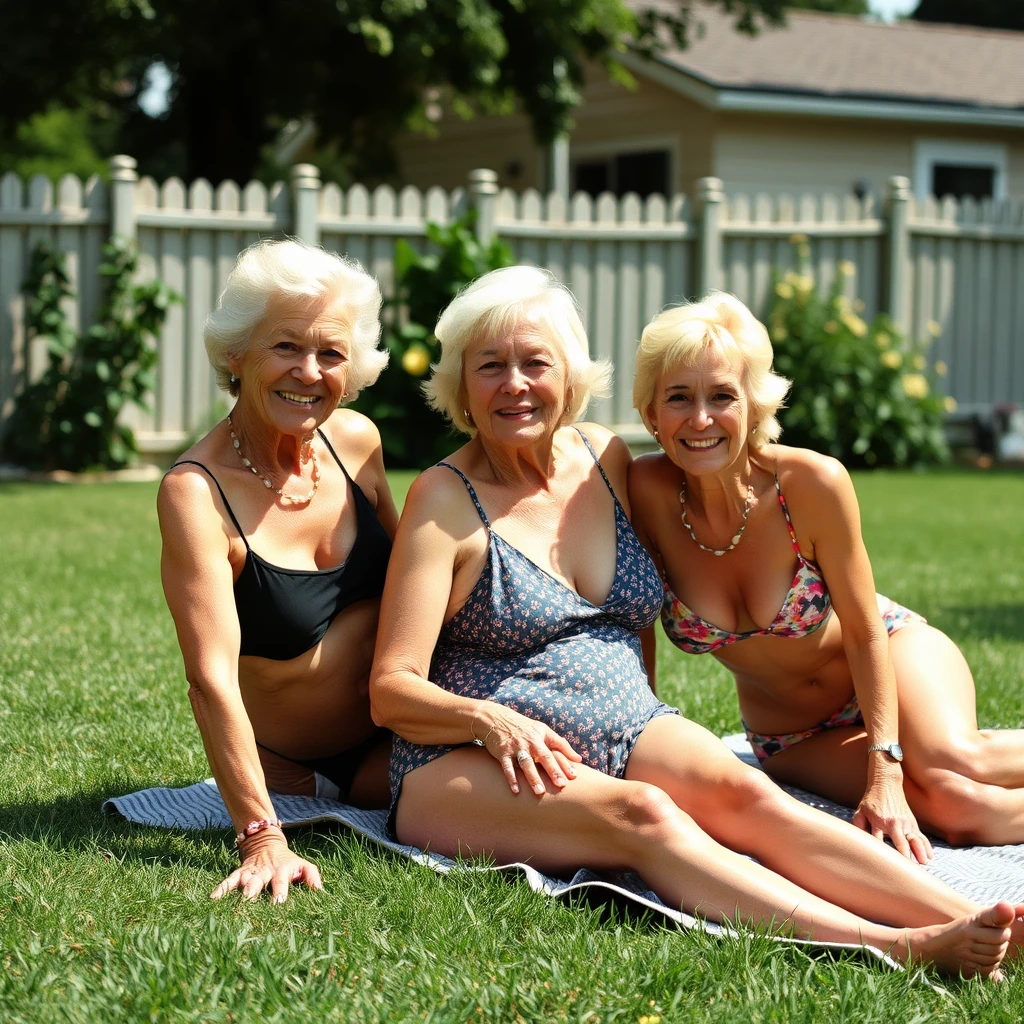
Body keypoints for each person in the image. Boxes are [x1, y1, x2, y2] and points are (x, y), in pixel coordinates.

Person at [368, 265, 1020, 979]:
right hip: (475, 761)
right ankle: (899, 947)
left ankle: (962, 918)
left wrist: (644, 711)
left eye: (535, 363)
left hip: (618, 720)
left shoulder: (602, 460)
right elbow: (391, 688)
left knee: (748, 796)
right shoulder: (442, 496)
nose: (514, 384)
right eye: (489, 366)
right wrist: (491, 722)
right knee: (647, 815)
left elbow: (631, 619)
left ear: (571, 375)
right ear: (461, 384)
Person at [629, 291, 1024, 864]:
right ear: (651, 414)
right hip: (794, 737)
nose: (700, 419)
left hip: (888, 652)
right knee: (957, 810)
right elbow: (634, 628)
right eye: (679, 398)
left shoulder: (809, 484)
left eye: (722, 396)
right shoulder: (643, 496)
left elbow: (865, 631)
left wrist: (885, 770)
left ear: (754, 405)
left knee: (958, 762)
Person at [158, 239, 398, 903]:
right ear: (236, 354)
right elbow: (208, 680)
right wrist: (262, 835)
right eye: (286, 347)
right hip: (298, 772)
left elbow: (417, 590)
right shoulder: (197, 491)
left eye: (331, 354)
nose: (309, 372)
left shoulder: (357, 442)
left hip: (399, 734)